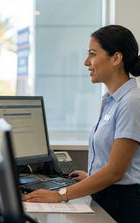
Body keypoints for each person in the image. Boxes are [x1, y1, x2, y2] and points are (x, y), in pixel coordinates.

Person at [22, 25, 140, 222]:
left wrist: (60, 194)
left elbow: (116, 171)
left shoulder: (132, 102)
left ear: (116, 58)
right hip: (107, 195)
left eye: (92, 54)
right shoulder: (110, 100)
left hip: (123, 204)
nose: (87, 62)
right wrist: (91, 176)